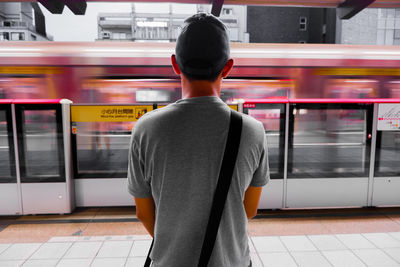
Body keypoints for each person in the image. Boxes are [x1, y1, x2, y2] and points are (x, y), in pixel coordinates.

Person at [127, 13, 269, 267]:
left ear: (175, 64)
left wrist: (177, 246)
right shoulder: (253, 131)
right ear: (227, 67)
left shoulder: (146, 128)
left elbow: (143, 212)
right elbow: (249, 210)